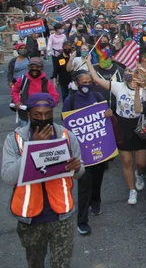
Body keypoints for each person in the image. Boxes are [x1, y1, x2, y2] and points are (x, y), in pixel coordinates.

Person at [1, 93, 84, 268]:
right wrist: (33, 148)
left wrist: (77, 167)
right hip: (30, 218)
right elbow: (8, 176)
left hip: (61, 216)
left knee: (61, 264)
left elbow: (79, 172)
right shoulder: (15, 140)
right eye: (38, 115)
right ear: (29, 114)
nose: (43, 118)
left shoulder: (67, 136)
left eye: (47, 114)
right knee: (35, 263)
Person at [86, 57, 146, 205]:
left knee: (141, 163)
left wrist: (137, 91)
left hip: (140, 127)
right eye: (127, 70)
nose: (130, 73)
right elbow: (96, 78)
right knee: (127, 161)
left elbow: (139, 109)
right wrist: (89, 62)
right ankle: (131, 190)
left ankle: (139, 174)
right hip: (123, 127)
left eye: (132, 70)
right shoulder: (118, 87)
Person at [63, 71, 112, 236]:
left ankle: (95, 202)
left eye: (89, 81)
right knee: (84, 185)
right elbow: (66, 125)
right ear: (77, 84)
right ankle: (82, 221)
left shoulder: (98, 97)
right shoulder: (70, 101)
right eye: (83, 82)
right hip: (80, 153)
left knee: (97, 179)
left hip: (99, 150)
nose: (86, 85)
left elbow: (106, 121)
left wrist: (108, 115)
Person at [11, 57, 60, 127]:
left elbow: (55, 97)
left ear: (41, 68)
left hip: (41, 117)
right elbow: (15, 91)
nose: (34, 69)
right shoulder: (22, 79)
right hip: (25, 114)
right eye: (32, 67)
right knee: (25, 135)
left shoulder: (46, 82)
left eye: (37, 67)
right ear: (29, 68)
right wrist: (17, 101)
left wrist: (47, 106)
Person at [90, 48, 124, 113]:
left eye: (105, 58)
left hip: (116, 109)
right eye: (100, 58)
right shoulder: (93, 70)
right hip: (98, 110)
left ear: (111, 58)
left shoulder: (120, 70)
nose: (102, 60)